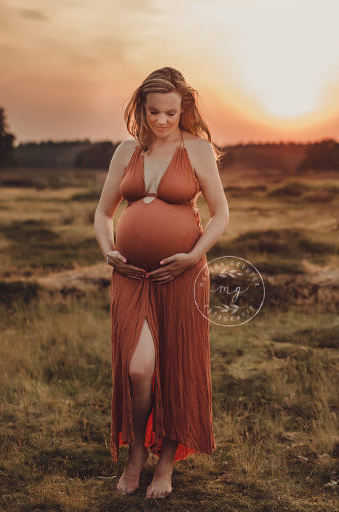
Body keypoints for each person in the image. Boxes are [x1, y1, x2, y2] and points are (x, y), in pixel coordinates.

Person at [93, 67, 229, 499]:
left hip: (182, 275)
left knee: (178, 370)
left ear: (183, 108)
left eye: (170, 112)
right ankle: (137, 452)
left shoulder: (199, 151)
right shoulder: (125, 151)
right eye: (154, 112)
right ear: (141, 109)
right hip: (132, 277)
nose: (162, 121)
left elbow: (221, 214)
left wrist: (193, 255)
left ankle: (165, 465)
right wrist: (109, 250)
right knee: (139, 368)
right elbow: (103, 214)